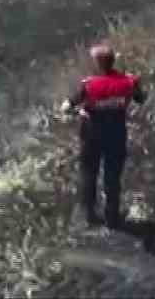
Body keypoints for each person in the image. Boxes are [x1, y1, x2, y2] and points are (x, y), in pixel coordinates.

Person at [62, 43, 147, 228]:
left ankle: (89, 215)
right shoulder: (129, 82)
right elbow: (141, 99)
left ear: (97, 63)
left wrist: (79, 113)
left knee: (88, 173)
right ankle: (112, 216)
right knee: (113, 176)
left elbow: (66, 107)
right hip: (116, 134)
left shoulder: (88, 84)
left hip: (91, 134)